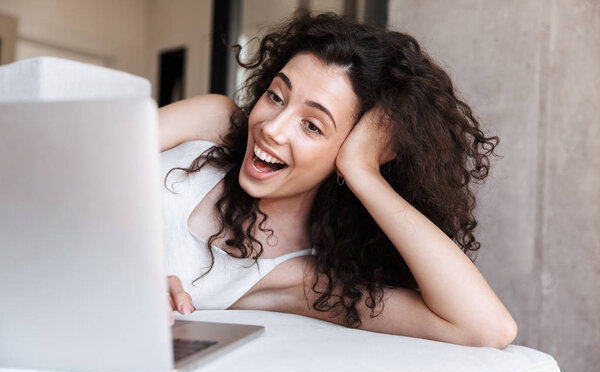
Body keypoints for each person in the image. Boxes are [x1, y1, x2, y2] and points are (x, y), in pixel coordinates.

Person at [159, 11, 517, 349]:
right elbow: (100, 152)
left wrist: (363, 171)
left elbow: (487, 327)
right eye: (276, 96)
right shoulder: (212, 122)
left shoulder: (302, 281)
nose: (272, 128)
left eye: (312, 125)